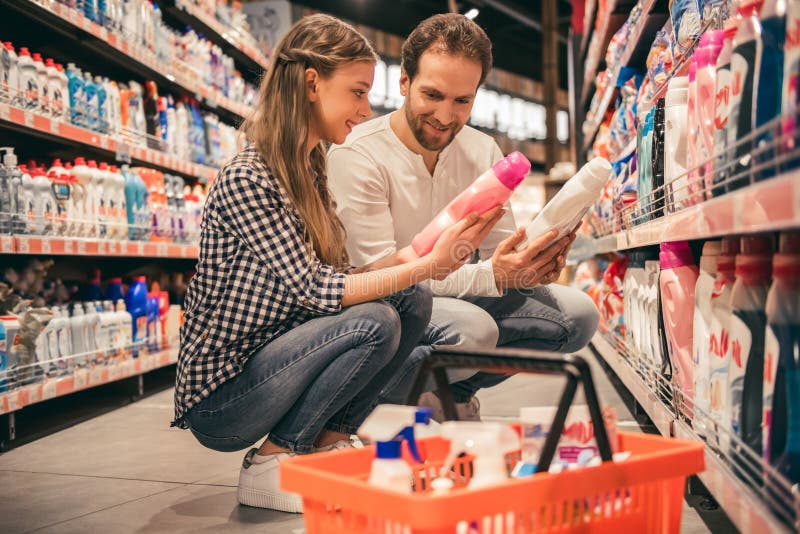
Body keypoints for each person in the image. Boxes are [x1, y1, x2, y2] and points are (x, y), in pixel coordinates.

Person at [172, 14, 502, 513]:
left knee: (408, 301)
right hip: (225, 394)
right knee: (375, 319)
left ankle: (328, 444)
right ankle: (272, 460)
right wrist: (426, 265)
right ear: (311, 84)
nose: (365, 109)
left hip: (277, 360)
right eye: (357, 92)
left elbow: (349, 276)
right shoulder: (250, 177)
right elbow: (316, 289)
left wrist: (434, 253)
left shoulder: (310, 168)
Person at [328, 13, 600, 420]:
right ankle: (370, 399)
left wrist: (533, 264)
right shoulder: (358, 153)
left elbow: (500, 255)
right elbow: (378, 279)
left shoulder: (482, 150)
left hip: (458, 296)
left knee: (579, 316)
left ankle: (448, 393)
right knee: (473, 329)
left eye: (462, 101)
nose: (444, 115)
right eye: (432, 95)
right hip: (387, 307)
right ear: (404, 82)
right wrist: (492, 276)